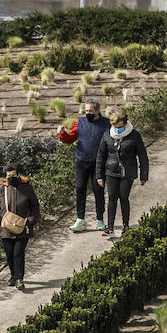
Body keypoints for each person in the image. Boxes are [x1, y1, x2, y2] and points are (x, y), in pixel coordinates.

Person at [57, 97, 111, 233]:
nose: (88, 113)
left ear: (98, 110)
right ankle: (80, 220)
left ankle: (100, 220)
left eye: (90, 111)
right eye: (86, 110)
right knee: (80, 189)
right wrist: (63, 134)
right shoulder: (79, 123)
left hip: (98, 164)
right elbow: (70, 139)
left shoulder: (106, 124)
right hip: (81, 162)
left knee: (98, 191)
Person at [95, 110, 149, 240]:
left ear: (125, 124)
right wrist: (99, 175)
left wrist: (144, 175)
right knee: (112, 198)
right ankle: (110, 227)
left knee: (124, 198)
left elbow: (143, 156)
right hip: (111, 171)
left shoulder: (134, 135)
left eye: (120, 127)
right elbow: (101, 156)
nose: (117, 129)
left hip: (127, 172)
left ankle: (125, 226)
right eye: (115, 127)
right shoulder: (107, 134)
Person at [0, 163, 40, 293]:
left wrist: (31, 220)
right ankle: (13, 275)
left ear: (18, 174)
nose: (11, 177)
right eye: (8, 175)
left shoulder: (27, 188)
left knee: (18, 253)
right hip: (5, 228)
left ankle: (19, 279)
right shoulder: (1, 189)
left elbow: (35, 206)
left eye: (13, 175)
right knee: (9, 254)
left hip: (22, 227)